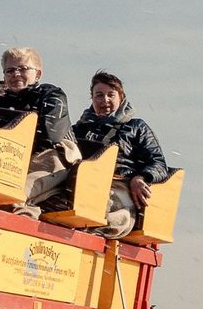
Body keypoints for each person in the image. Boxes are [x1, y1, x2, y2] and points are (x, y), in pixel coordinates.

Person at [63, 70, 170, 237]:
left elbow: (159, 164)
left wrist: (141, 177)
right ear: (92, 99)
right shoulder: (79, 129)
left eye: (110, 95)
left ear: (121, 97)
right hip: (81, 182)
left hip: (119, 184)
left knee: (121, 217)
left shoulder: (136, 127)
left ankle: (95, 227)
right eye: (99, 95)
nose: (104, 100)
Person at [0, 47, 78, 212]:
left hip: (52, 156)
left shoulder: (52, 95)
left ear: (37, 74)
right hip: (10, 158)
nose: (16, 74)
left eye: (23, 69)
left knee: (13, 193)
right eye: (10, 70)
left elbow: (52, 135)